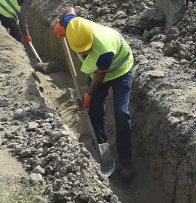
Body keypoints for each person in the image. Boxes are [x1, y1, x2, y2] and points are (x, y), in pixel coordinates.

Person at [54, 10, 135, 180]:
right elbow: (69, 10)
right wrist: (61, 25)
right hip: (99, 72)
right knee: (95, 111)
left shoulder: (104, 49)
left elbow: (100, 75)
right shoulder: (75, 26)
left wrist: (88, 94)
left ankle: (126, 160)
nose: (84, 53)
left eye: (87, 49)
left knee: (121, 112)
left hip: (121, 70)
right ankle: (102, 149)